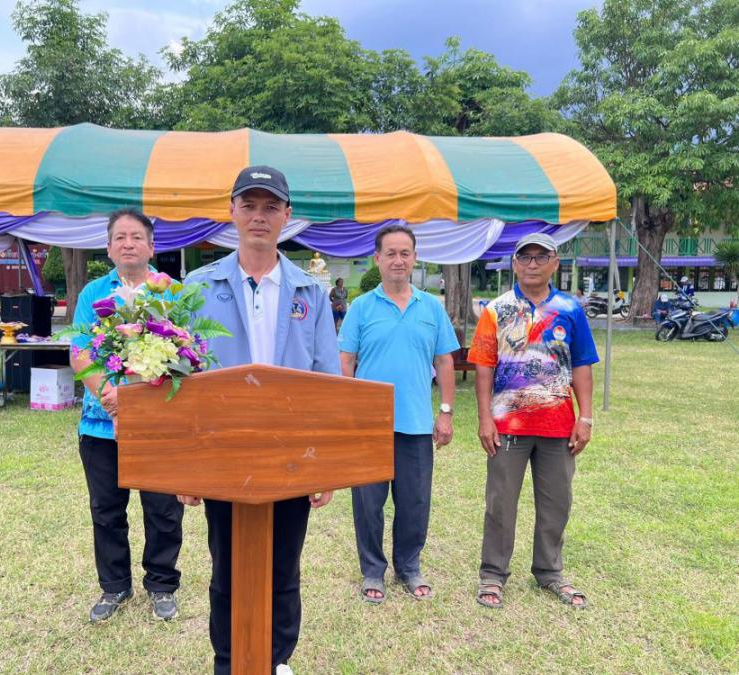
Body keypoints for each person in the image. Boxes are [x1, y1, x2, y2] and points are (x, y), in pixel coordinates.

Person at [181, 166, 340, 675]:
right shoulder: (198, 287)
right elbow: (180, 378)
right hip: (222, 452)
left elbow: (327, 379)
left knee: (284, 567)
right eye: (248, 205)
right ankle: (228, 662)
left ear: (286, 216)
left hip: (290, 455)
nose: (258, 217)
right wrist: (186, 468)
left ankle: (276, 660)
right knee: (227, 568)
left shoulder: (310, 291)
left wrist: (324, 465)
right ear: (231, 211)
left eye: (270, 207)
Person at [468, 233, 598, 611]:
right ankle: (493, 574)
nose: (532, 264)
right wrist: (485, 419)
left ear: (555, 263)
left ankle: (549, 571)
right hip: (507, 426)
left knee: (557, 503)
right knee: (500, 504)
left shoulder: (570, 309)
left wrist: (586, 417)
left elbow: (582, 366)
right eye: (525, 257)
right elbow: (483, 368)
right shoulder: (496, 310)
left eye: (541, 257)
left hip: (558, 426)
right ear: (514, 264)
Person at [70, 208, 184, 623]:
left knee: (163, 509)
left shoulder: (172, 292)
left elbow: (186, 353)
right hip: (101, 425)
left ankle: (162, 584)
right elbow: (80, 351)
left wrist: (139, 400)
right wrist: (112, 399)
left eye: (136, 237)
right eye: (119, 237)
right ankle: (114, 585)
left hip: (158, 425)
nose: (128, 244)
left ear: (151, 247)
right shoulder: (93, 294)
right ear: (108, 248)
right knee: (106, 510)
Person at [338, 225, 459, 603]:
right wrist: (348, 413)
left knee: (415, 502)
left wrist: (445, 412)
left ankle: (409, 566)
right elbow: (345, 361)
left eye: (405, 253)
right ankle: (372, 570)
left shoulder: (431, 307)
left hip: (416, 424)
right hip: (369, 426)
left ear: (415, 258)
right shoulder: (361, 307)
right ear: (377, 259)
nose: (398, 260)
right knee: (368, 505)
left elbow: (445, 361)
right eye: (390, 253)